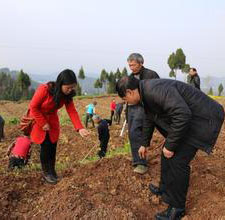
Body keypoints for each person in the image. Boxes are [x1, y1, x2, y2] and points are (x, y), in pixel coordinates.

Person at [116, 76, 224, 220]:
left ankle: (177, 208)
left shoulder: (154, 91)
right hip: (191, 119)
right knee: (167, 153)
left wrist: (171, 145)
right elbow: (150, 118)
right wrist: (144, 143)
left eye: (125, 99)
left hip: (203, 120)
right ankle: (165, 188)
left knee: (178, 161)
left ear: (130, 92)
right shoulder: (145, 92)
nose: (126, 103)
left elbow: (182, 114)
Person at [29, 69, 89, 184]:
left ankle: (52, 171)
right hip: (39, 119)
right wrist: (43, 123)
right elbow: (33, 107)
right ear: (60, 84)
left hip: (52, 122)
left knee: (53, 146)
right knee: (45, 147)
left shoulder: (67, 95)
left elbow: (72, 111)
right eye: (68, 88)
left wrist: (80, 128)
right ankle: (46, 172)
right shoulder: (44, 89)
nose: (70, 90)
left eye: (72, 87)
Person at [127, 53, 160, 174]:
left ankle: (141, 163)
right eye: (129, 65)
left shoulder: (150, 75)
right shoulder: (130, 77)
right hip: (131, 107)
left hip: (143, 107)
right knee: (132, 133)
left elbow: (158, 92)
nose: (131, 67)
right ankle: (137, 158)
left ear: (141, 63)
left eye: (133, 65)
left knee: (137, 132)